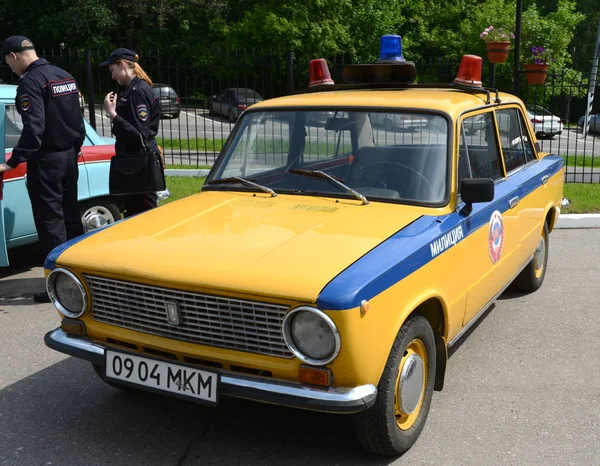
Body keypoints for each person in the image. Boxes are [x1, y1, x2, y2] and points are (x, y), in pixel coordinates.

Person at [0, 36, 85, 303]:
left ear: (14, 56)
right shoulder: (63, 75)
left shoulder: (30, 82)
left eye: (7, 62)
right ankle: (83, 281)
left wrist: (13, 161)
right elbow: (77, 119)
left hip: (47, 161)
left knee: (51, 223)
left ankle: (58, 288)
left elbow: (33, 128)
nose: (10, 68)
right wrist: (75, 148)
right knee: (71, 217)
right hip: (70, 156)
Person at [101, 48, 160, 217]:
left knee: (143, 216)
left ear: (122, 65)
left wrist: (113, 115)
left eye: (113, 70)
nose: (112, 76)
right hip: (134, 162)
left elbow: (139, 135)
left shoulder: (138, 92)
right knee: (134, 213)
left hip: (140, 163)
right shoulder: (132, 90)